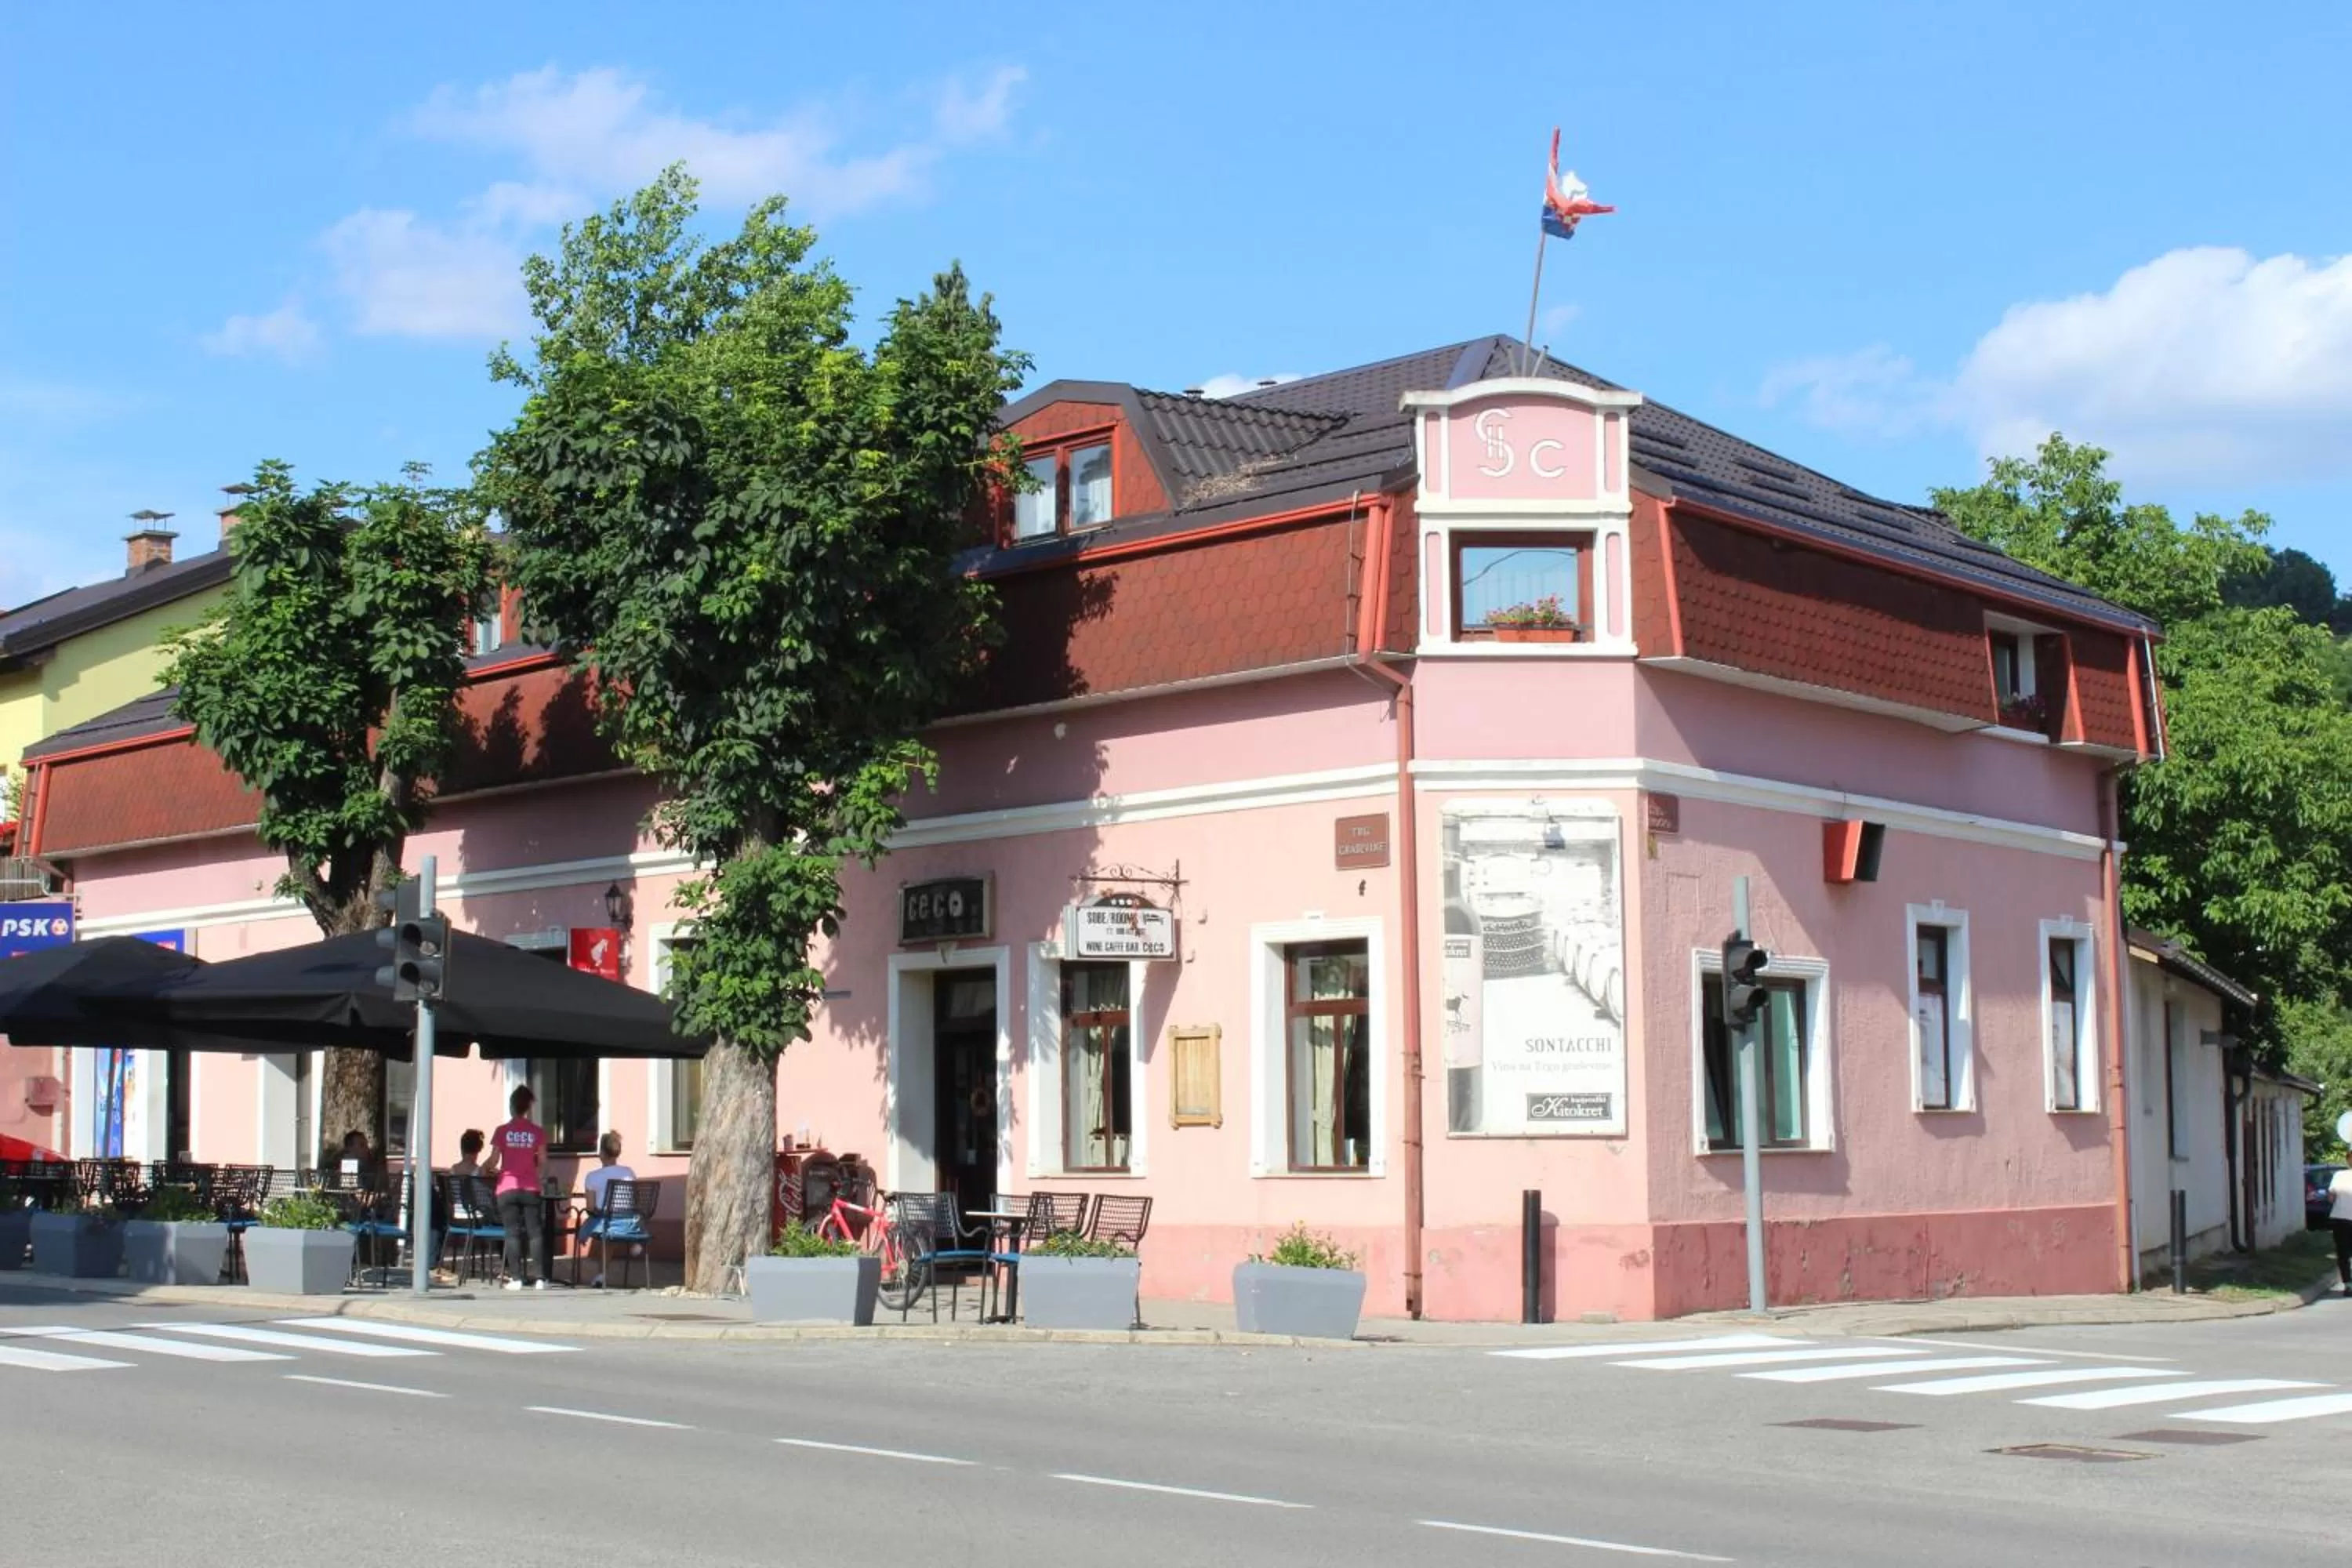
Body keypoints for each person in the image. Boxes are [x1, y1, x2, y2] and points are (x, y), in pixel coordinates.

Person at [483, 1087, 547, 1290]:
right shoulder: (538, 1132)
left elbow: (493, 1160)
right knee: (535, 1232)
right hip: (531, 1187)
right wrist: (540, 1177)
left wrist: (484, 1168)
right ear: (529, 1107)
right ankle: (540, 1279)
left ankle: (517, 1279)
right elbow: (544, 1162)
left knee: (512, 1233)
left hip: (507, 1187)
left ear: (512, 1107)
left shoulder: (502, 1131)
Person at [577, 1131, 638, 1287]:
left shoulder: (593, 1176)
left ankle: (601, 1275)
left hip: (608, 1221)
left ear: (602, 1153)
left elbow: (590, 1207)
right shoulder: (629, 1172)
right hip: (629, 1221)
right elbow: (635, 1200)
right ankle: (633, 1241)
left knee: (602, 1225)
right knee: (609, 1228)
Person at [2331, 1164, 2352, 1296]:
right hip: (2341, 1218)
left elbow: (2331, 1197)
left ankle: (2348, 1285)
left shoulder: (2339, 1175)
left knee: (2343, 1253)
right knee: (2344, 1253)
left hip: (2341, 1218)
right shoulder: (2339, 1175)